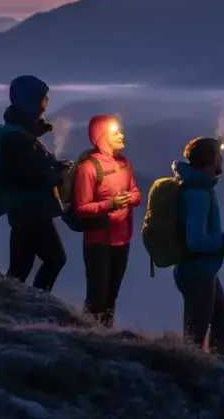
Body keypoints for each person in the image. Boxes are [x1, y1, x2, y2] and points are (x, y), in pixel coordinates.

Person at [0, 75, 70, 292]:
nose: (47, 101)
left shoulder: (20, 130)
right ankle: (37, 303)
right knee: (55, 259)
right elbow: (26, 177)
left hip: (24, 211)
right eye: (43, 97)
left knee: (20, 268)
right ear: (32, 101)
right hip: (32, 211)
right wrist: (57, 172)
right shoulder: (17, 138)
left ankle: (14, 303)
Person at [73, 114, 142, 326]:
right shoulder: (89, 168)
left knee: (111, 295)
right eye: (115, 133)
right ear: (102, 137)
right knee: (97, 296)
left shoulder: (124, 163)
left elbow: (137, 193)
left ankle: (106, 336)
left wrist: (128, 198)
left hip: (123, 240)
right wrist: (111, 204)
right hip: (98, 243)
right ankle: (88, 337)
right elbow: (81, 208)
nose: (121, 135)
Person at [172, 136, 224, 355]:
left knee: (221, 318)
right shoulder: (198, 193)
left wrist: (220, 239)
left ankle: (215, 368)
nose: (222, 159)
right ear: (212, 159)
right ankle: (195, 375)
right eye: (219, 155)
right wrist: (222, 242)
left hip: (202, 270)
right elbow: (195, 240)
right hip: (197, 272)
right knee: (196, 334)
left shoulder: (199, 188)